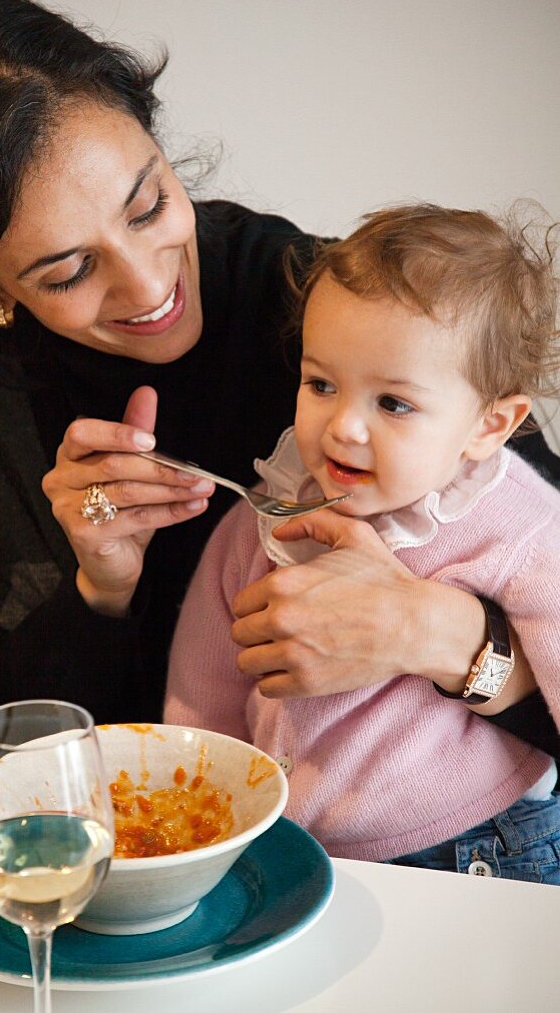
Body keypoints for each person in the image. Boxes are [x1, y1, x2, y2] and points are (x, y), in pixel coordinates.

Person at [0, 0, 559, 752]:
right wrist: (100, 588)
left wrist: (439, 638)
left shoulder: (340, 309)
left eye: (149, 205)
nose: (148, 286)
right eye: (68, 272)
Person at [165, 204, 560, 880]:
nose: (343, 426)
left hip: (476, 844)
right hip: (291, 844)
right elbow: (202, 692)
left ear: (490, 426)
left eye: (393, 404)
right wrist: (196, 814)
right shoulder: (262, 515)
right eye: (321, 384)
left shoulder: (521, 525)